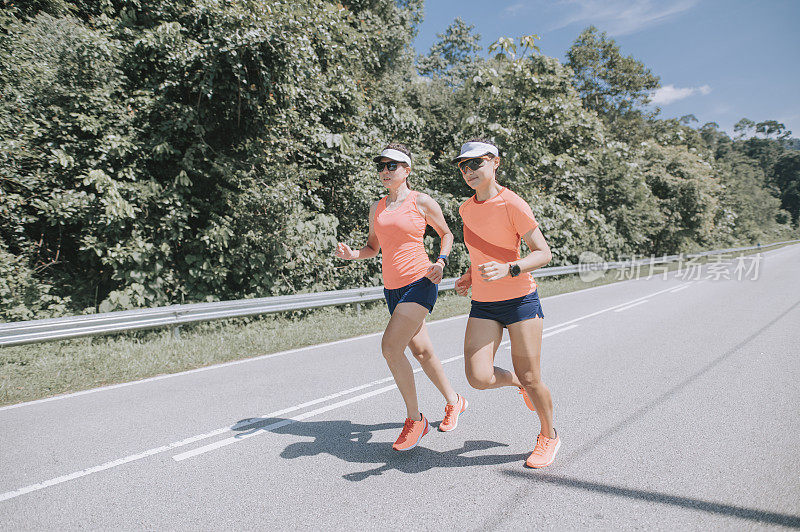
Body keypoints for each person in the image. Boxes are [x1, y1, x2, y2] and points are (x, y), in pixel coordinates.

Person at [335, 142, 467, 451]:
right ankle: (454, 400)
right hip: (391, 288)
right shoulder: (377, 208)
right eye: (380, 166)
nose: (384, 171)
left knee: (390, 348)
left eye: (391, 166)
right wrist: (351, 254)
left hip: (421, 281)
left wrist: (441, 262)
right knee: (422, 352)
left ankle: (415, 420)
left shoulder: (421, 202)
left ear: (406, 170)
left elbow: (446, 234)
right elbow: (372, 248)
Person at [452, 138, 559, 468]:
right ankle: (517, 384)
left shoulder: (513, 204)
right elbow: (480, 252)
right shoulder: (466, 209)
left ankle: (548, 436)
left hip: (521, 302)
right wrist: (470, 275)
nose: (468, 171)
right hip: (484, 303)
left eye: (476, 163)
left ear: (495, 163)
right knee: (478, 377)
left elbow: (544, 253)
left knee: (533, 376)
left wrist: (510, 268)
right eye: (463, 166)